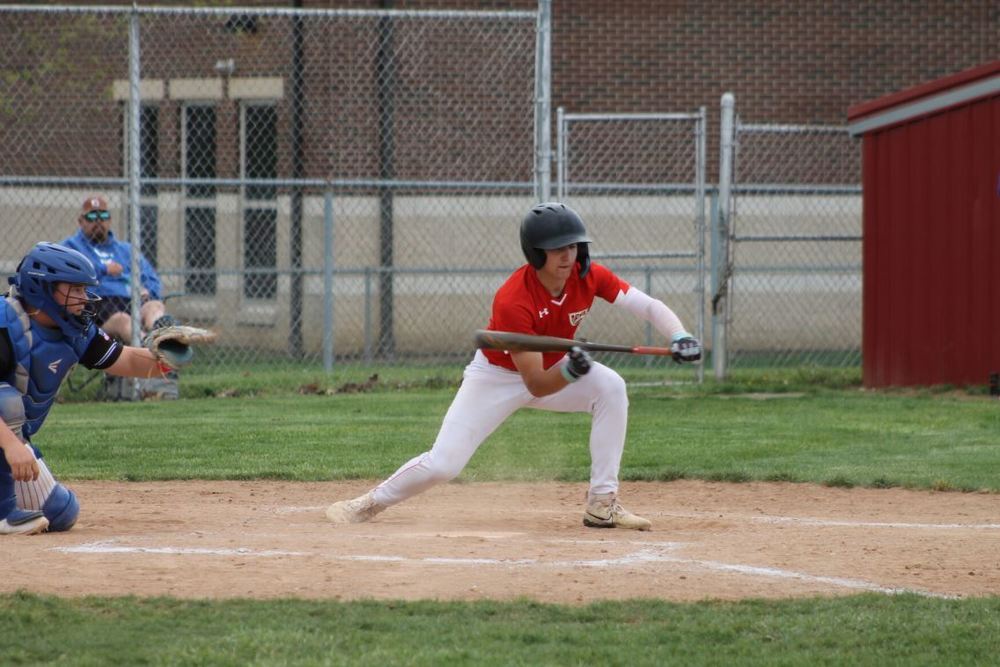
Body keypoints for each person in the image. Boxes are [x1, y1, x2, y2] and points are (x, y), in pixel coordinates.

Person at [325, 202, 702, 531]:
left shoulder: (589, 276)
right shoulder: (513, 300)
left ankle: (601, 504)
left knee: (611, 387)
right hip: (495, 377)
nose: (567, 256)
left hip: (557, 365)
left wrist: (679, 334)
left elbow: (647, 305)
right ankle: (370, 502)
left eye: (572, 245)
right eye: (556, 249)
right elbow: (536, 384)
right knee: (444, 465)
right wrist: (573, 370)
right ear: (536, 254)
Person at [0, 242, 180, 535]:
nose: (85, 298)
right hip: (4, 439)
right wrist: (10, 445)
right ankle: (3, 514)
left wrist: (168, 360)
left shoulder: (74, 330)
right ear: (42, 289)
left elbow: (125, 359)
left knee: (60, 513)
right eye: (76, 289)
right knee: (5, 400)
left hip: (9, 441)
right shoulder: (6, 324)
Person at [61, 195, 179, 398]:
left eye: (103, 215)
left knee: (154, 307)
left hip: (131, 301)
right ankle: (157, 358)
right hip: (97, 307)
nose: (98, 220)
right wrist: (103, 269)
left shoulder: (125, 250)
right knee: (125, 322)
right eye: (91, 216)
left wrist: (148, 291)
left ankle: (163, 336)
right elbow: (65, 276)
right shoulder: (71, 248)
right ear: (80, 221)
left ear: (110, 219)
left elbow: (152, 278)